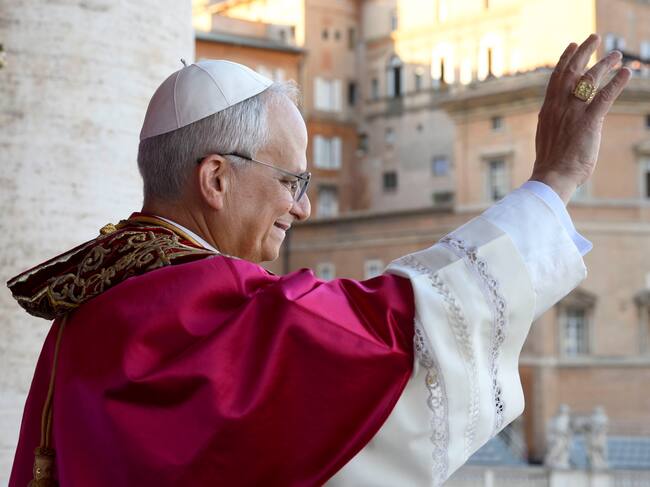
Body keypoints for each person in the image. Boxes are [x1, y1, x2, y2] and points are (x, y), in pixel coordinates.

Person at [7, 34, 630, 486]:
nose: (302, 209)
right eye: (291, 182)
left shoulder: (88, 309)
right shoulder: (210, 306)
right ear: (216, 179)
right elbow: (399, 332)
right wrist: (554, 181)